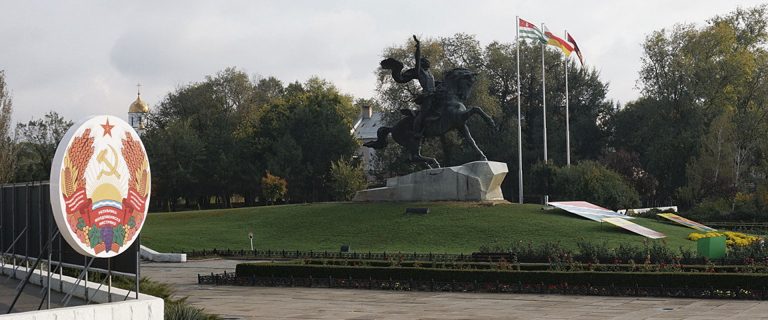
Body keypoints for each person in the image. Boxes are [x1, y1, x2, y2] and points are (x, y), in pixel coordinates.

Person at [380, 35, 435, 138]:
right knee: (424, 113)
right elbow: (417, 58)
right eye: (425, 61)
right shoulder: (420, 71)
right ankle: (417, 132)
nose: (428, 62)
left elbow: (435, 83)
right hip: (426, 96)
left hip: (434, 94)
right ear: (422, 64)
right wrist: (418, 47)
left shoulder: (429, 74)